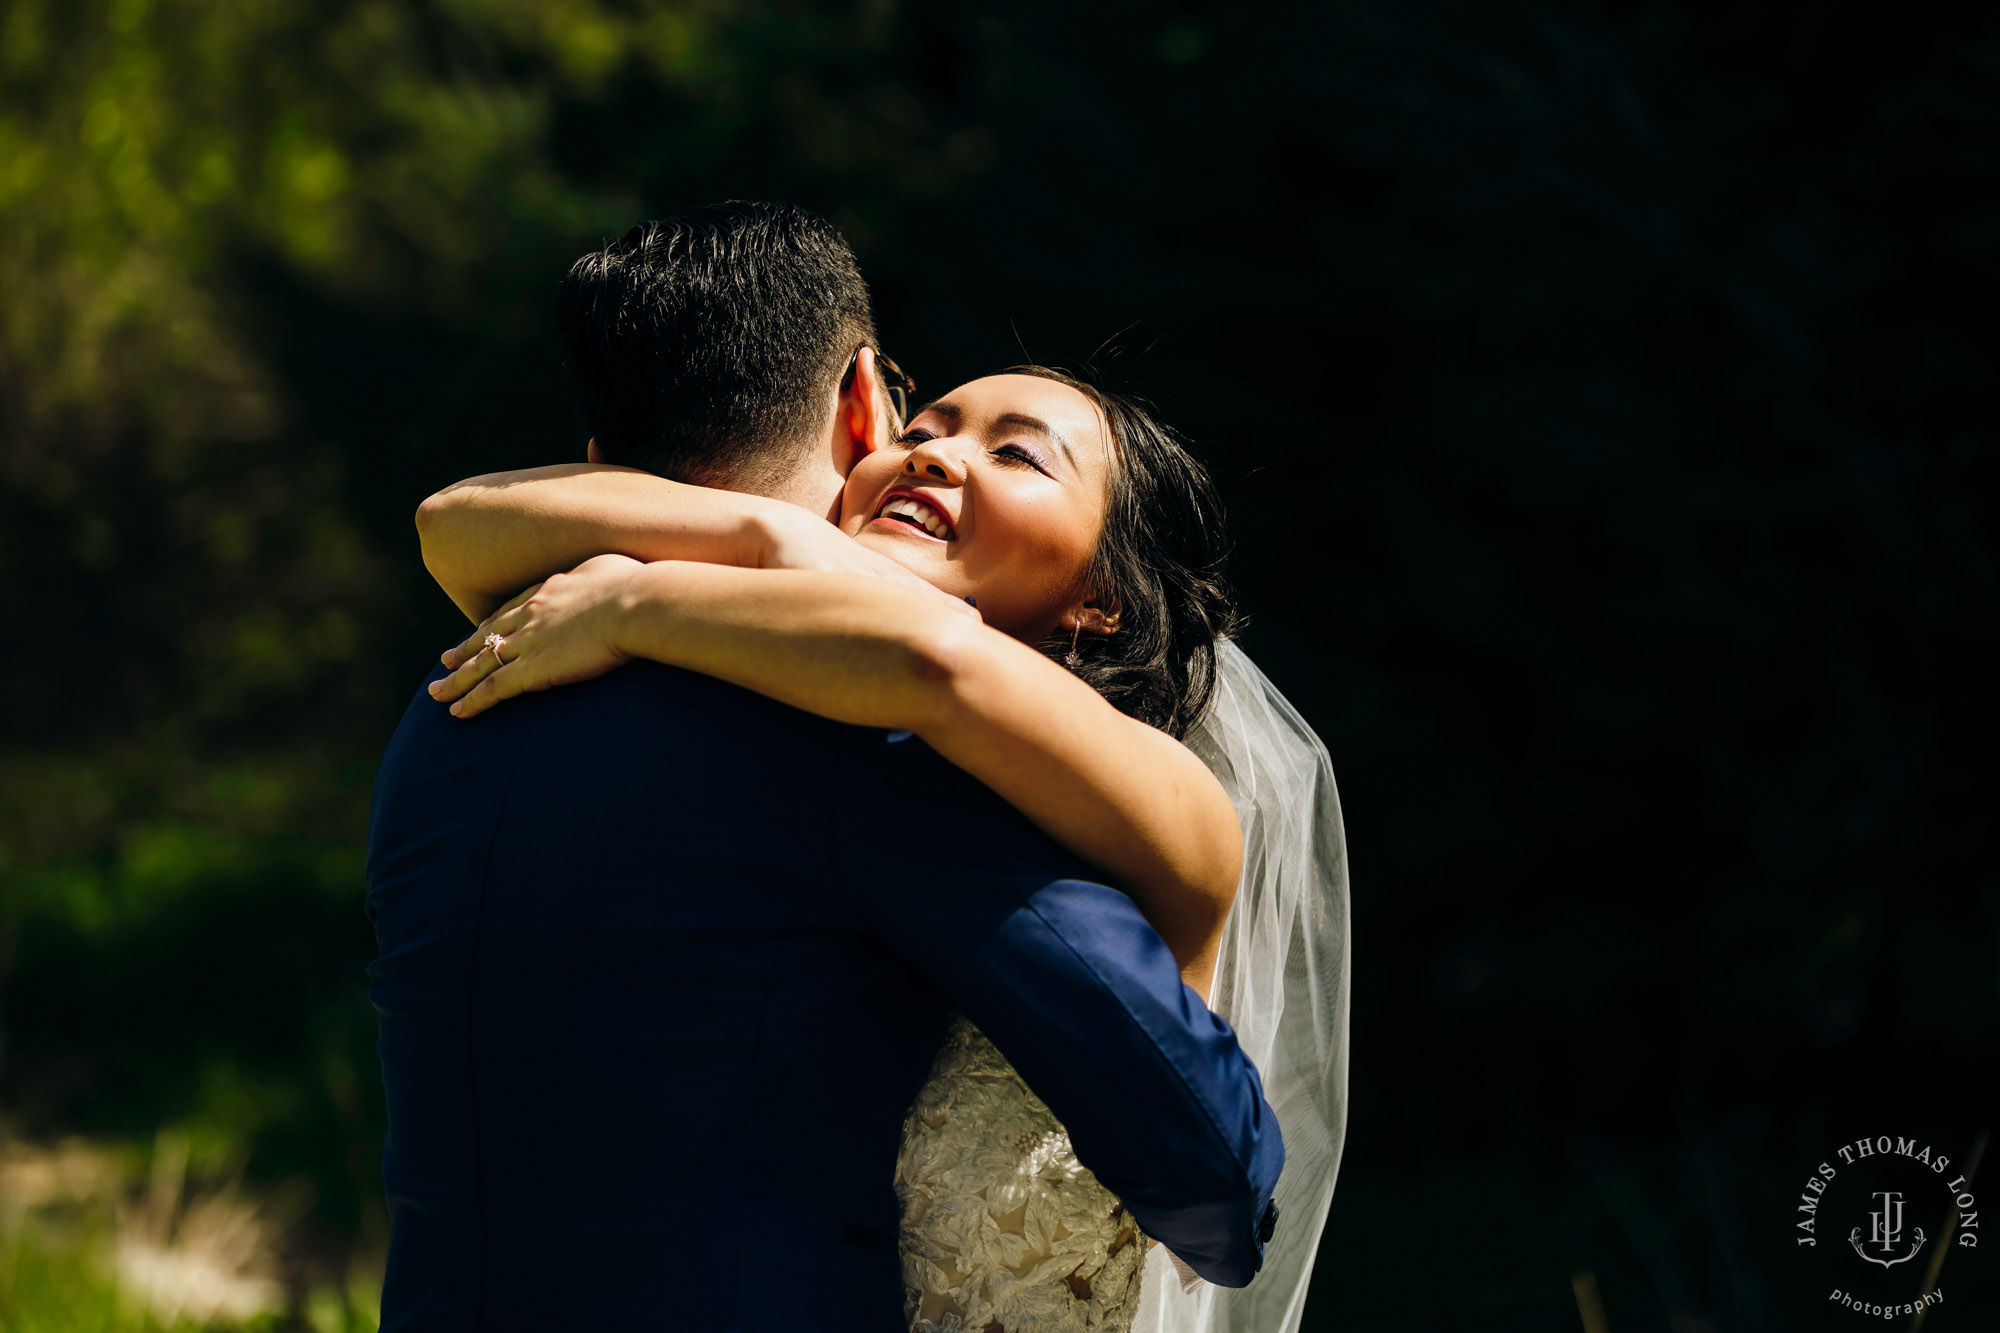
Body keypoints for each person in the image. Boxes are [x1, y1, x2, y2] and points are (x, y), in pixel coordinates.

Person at [364, 203, 1287, 1333]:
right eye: (925, 419)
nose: (938, 452)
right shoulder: (865, 734)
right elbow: (1213, 1170)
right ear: (863, 403)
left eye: (1014, 452)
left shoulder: (461, 695)